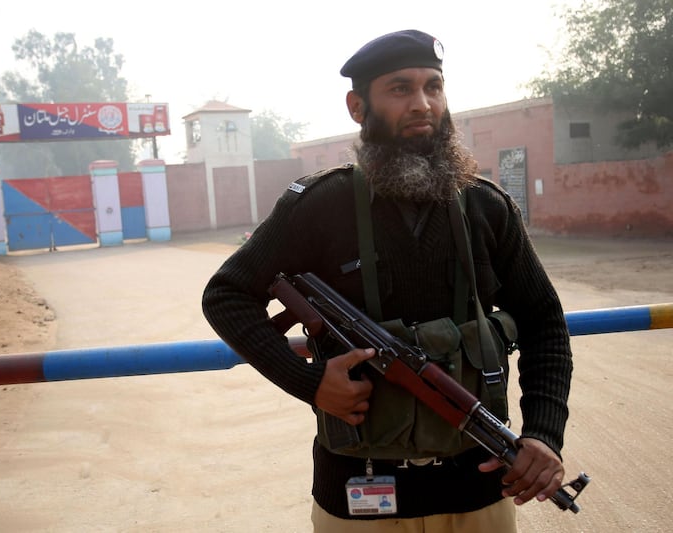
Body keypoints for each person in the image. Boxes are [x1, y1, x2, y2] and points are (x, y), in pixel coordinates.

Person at [202, 29, 573, 532]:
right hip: (358, 497)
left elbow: (544, 323)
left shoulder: (487, 207)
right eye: (400, 89)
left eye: (433, 87)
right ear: (358, 107)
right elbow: (226, 295)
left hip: (477, 494)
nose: (423, 104)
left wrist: (544, 434)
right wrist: (310, 383)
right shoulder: (319, 205)